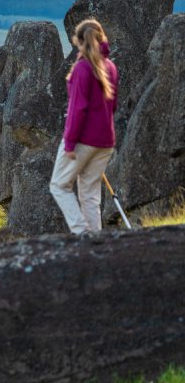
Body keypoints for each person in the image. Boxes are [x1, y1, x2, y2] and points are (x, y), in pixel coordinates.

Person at [50, 18, 119, 234]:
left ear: (78, 41)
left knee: (59, 185)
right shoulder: (110, 66)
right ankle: (94, 236)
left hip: (83, 140)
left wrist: (70, 143)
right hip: (105, 140)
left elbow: (78, 109)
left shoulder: (82, 68)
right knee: (90, 192)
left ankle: (81, 232)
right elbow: (113, 105)